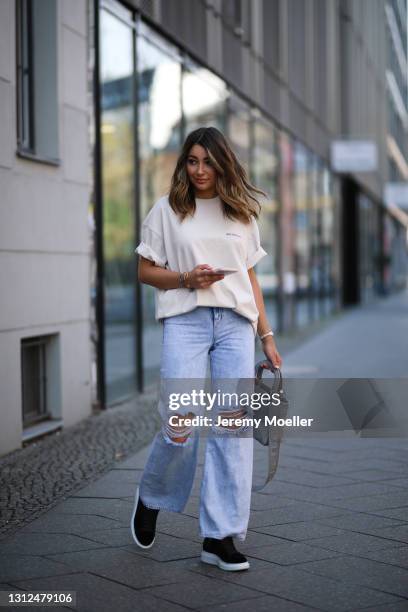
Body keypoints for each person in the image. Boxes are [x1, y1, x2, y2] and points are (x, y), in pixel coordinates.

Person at [131, 126, 282, 572]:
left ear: (222, 164)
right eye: (192, 161)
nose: (199, 170)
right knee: (180, 420)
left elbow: (249, 279)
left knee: (231, 430)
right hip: (186, 321)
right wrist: (185, 280)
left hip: (236, 324)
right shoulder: (167, 210)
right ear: (184, 163)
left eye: (207, 161)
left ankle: (219, 537)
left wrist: (267, 337)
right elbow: (144, 270)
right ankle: (151, 495)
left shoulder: (242, 215)